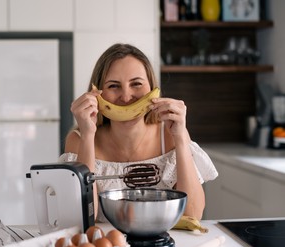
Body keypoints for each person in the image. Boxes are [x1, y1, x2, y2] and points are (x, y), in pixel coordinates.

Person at [59, 43, 218, 222]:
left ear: (152, 89)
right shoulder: (79, 140)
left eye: (136, 84)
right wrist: (88, 135)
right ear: (96, 94)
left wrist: (181, 138)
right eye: (113, 86)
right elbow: (82, 218)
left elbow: (193, 214)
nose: (126, 97)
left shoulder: (170, 135)